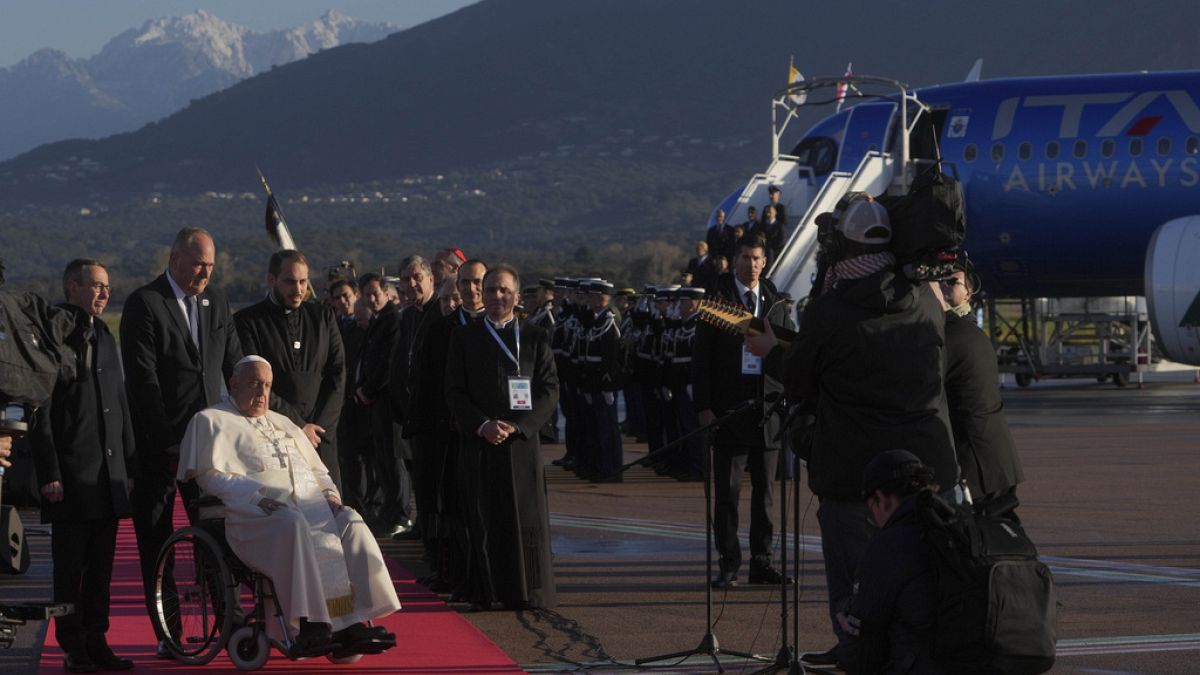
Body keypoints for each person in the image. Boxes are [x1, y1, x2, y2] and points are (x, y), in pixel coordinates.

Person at [746, 197, 958, 668]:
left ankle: (857, 652)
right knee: (923, 581)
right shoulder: (924, 299)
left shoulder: (831, 308)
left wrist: (771, 350)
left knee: (857, 590)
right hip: (929, 466)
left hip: (856, 473)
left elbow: (802, 380)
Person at [177, 357, 400, 658]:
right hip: (252, 517)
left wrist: (331, 496)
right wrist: (256, 498)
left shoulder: (283, 422)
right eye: (255, 383)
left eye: (267, 385)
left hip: (309, 507)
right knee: (292, 523)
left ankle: (352, 620)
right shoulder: (210, 420)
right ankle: (309, 624)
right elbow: (212, 477)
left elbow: (319, 470)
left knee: (350, 520)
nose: (262, 392)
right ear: (234, 383)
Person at [119, 227, 243, 655]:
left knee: (216, 531)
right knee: (156, 541)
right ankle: (169, 634)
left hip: (209, 443)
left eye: (210, 265)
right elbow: (143, 380)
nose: (205, 273)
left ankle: (228, 624)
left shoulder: (218, 302)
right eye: (197, 264)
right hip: (157, 447)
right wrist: (168, 441)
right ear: (174, 260)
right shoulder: (145, 304)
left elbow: (233, 366)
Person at [31, 259, 136, 673]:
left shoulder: (105, 335)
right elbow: (41, 410)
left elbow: (121, 403)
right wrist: (49, 472)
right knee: (70, 572)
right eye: (97, 287)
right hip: (71, 476)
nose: (105, 294)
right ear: (72, 287)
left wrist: (128, 463)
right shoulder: (55, 335)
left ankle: (98, 640)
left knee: (101, 569)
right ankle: (73, 647)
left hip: (107, 478)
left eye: (107, 287)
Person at [444, 264, 559, 610]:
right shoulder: (464, 337)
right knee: (484, 518)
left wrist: (520, 426)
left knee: (525, 518)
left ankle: (528, 592)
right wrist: (482, 424)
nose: (496, 297)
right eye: (491, 289)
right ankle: (487, 591)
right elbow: (454, 391)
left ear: (517, 296)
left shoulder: (536, 337)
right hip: (481, 441)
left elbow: (549, 390)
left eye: (504, 291)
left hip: (521, 443)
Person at [692, 234, 794, 588]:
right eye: (745, 258)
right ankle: (729, 561)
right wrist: (704, 407)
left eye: (756, 258)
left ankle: (762, 561)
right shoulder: (716, 304)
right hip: (729, 411)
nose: (750, 264)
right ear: (734, 261)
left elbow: (789, 355)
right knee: (728, 494)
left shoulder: (778, 305)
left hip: (767, 413)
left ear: (764, 262)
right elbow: (700, 360)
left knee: (766, 494)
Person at [235, 250, 346, 489]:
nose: (298, 289)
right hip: (274, 434)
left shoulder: (323, 317)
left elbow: (337, 373)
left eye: (303, 282)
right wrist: (297, 427)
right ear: (271, 279)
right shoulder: (248, 321)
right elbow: (255, 381)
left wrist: (319, 428)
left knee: (329, 509)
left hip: (320, 435)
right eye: (290, 281)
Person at [837, 450, 941, 675]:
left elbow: (861, 655)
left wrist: (849, 626)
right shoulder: (962, 526)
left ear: (880, 499)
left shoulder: (890, 545)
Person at [940, 257, 1024, 504]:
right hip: (993, 460)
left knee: (976, 536)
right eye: (940, 281)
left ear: (968, 294)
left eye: (951, 282)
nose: (944, 286)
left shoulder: (954, 334)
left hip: (979, 465)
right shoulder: (968, 330)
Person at [353, 272, 411, 536]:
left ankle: (400, 512)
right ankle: (389, 511)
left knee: (393, 457)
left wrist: (368, 388)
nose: (372, 298)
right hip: (374, 401)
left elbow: (389, 361)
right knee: (382, 459)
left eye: (375, 292)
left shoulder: (393, 320)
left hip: (388, 400)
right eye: (367, 294)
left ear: (387, 293)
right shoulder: (377, 320)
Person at [578, 279, 623, 483]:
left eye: (594, 296)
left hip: (603, 381)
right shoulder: (596, 318)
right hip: (593, 380)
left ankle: (611, 469)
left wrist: (608, 383)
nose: (590, 300)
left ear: (603, 297)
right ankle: (599, 466)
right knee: (597, 428)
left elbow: (612, 353)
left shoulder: (609, 319)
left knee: (608, 429)